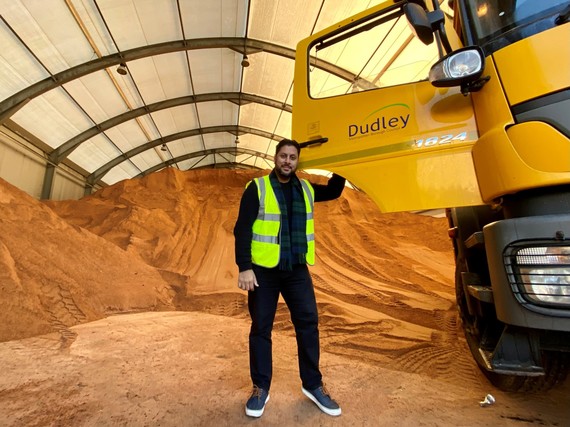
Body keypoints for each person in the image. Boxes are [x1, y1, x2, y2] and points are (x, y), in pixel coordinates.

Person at [233, 138, 346, 418]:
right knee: (261, 328)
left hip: (296, 270)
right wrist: (244, 267)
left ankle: (313, 385)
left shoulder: (306, 188)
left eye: (292, 157)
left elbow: (333, 191)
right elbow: (242, 229)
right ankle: (261, 388)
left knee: (308, 323)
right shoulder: (257, 188)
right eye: (283, 156)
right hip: (263, 272)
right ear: (275, 157)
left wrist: (343, 159)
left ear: (298, 161)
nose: (287, 161)